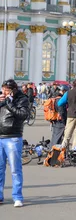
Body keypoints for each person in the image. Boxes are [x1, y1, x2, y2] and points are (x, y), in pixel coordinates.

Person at [0, 79, 29, 207]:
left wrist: (9, 103)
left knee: (15, 169)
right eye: (3, 89)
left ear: (14, 90)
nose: (4, 92)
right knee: (0, 169)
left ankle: (17, 197)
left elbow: (23, 115)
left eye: (7, 90)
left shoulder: (22, 99)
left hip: (13, 136)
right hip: (0, 136)